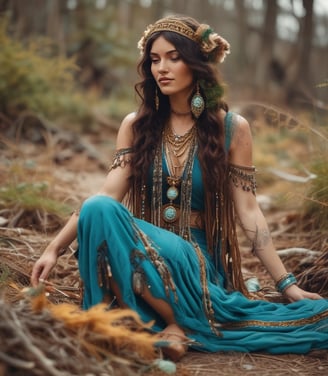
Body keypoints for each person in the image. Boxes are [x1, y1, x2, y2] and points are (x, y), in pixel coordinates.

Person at [31, 15, 328, 361]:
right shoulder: (137, 125)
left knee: (101, 212)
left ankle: (174, 325)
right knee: (100, 211)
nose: (162, 68)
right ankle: (142, 324)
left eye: (174, 57)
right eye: (155, 60)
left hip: (194, 264)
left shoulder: (232, 128)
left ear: (197, 63)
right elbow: (106, 197)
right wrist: (53, 248)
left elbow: (249, 212)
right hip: (140, 257)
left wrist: (285, 284)